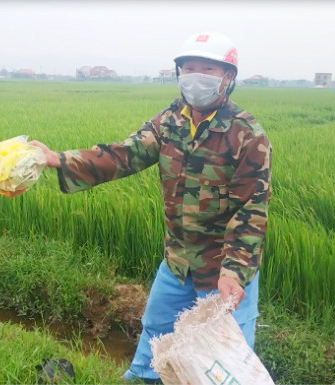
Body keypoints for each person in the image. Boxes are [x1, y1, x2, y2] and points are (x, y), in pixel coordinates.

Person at [27, 32, 271, 384]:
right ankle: (142, 379)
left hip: (224, 273)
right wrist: (59, 159)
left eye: (207, 69)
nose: (196, 76)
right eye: (189, 68)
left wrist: (233, 271)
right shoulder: (168, 121)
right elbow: (122, 156)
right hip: (177, 263)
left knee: (226, 360)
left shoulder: (247, 135)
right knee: (155, 330)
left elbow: (251, 211)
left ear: (228, 78)